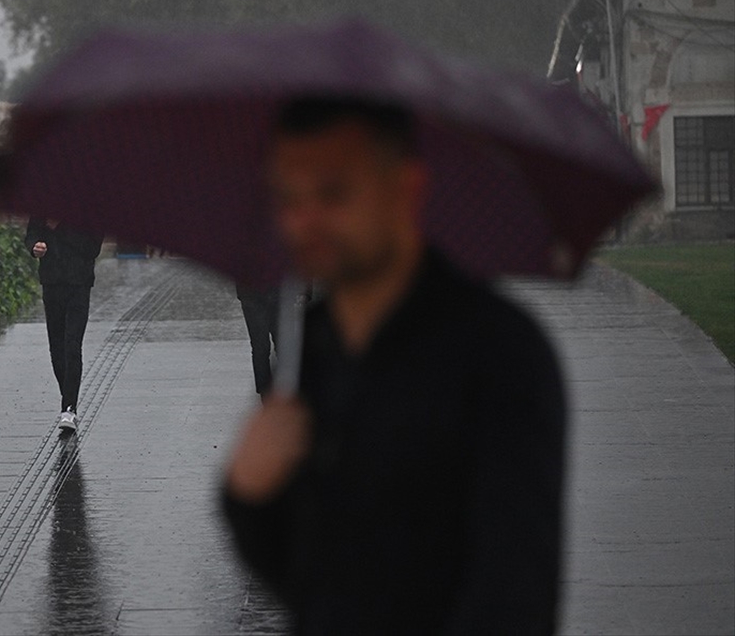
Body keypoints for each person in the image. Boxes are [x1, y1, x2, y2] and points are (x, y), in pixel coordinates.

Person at [222, 98, 567, 634]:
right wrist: (248, 494)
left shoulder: (499, 350)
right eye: (287, 197)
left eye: (333, 193)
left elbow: (514, 594)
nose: (303, 221)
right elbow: (308, 577)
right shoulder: (316, 342)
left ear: (406, 188)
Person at [25, 218, 104, 433]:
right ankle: (68, 397)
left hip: (79, 283)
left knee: (72, 345)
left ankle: (69, 408)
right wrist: (35, 247)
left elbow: (91, 249)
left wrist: (59, 228)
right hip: (51, 282)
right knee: (57, 349)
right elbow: (32, 233)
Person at [235, 284, 279, 402]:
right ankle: (268, 392)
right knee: (262, 348)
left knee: (264, 348)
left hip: (269, 294)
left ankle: (273, 392)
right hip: (255, 296)